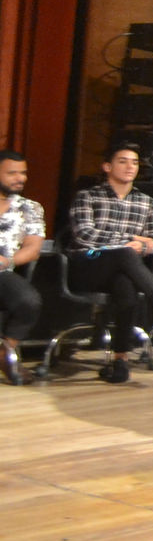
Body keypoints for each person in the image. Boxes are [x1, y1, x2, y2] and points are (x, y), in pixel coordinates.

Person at [65, 142, 153, 383]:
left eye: (135, 162)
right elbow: (84, 235)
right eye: (122, 161)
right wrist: (130, 240)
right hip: (87, 265)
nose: (130, 166)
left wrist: (147, 244)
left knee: (125, 289)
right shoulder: (87, 196)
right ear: (107, 166)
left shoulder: (146, 202)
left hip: (125, 269)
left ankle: (120, 360)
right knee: (125, 254)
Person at [0, 152, 43, 385]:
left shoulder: (30, 208)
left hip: (2, 271)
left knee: (29, 301)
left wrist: (6, 261)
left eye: (23, 172)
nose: (20, 178)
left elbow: (32, 248)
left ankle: (4, 353)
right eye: (12, 173)